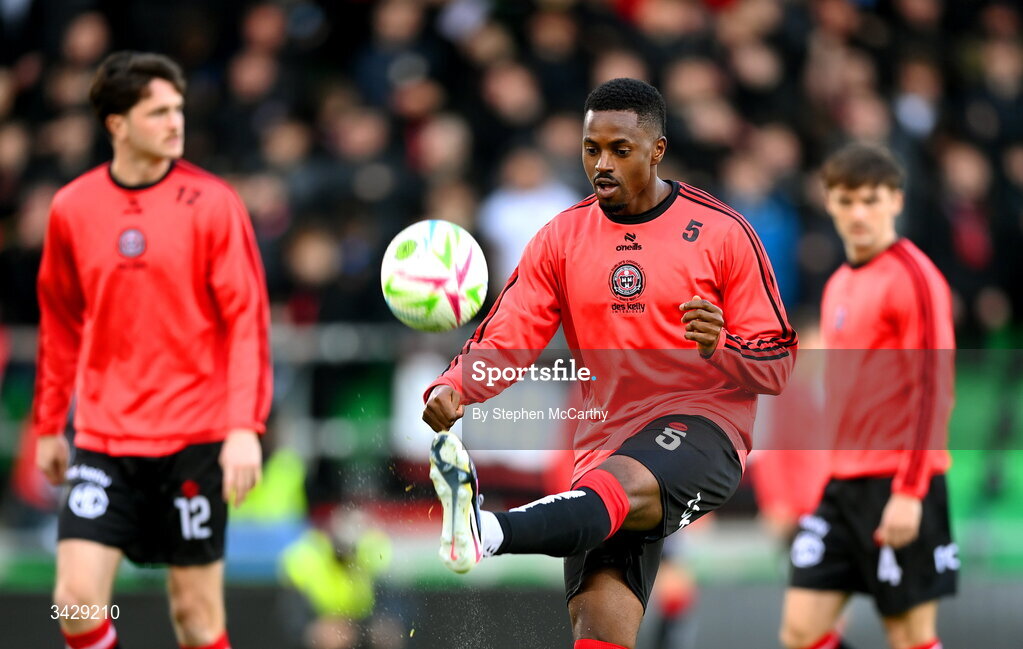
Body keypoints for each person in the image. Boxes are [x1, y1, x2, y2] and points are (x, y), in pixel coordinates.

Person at [422, 78, 797, 649]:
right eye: (591, 148)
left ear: (657, 150)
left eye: (620, 150)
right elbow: (512, 332)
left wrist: (720, 346)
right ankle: (492, 527)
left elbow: (776, 363)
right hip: (603, 445)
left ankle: (484, 529)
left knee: (619, 482)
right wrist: (455, 387)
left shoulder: (722, 232)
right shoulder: (562, 238)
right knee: (598, 632)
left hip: (700, 429)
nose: (602, 163)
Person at [33, 51, 272, 649]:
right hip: (103, 439)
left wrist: (243, 426)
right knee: (76, 601)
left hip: (193, 440)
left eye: (178, 109)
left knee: (195, 618)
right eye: (158, 111)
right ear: (117, 124)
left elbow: (247, 322)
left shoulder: (213, 203)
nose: (175, 122)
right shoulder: (73, 207)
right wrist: (46, 424)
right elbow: (60, 323)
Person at [779, 143, 957, 649]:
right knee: (800, 630)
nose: (859, 213)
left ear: (896, 201)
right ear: (828, 203)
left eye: (871, 200)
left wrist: (909, 491)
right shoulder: (838, 283)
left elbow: (933, 389)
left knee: (910, 636)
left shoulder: (914, 278)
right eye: (846, 200)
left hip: (898, 482)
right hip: (843, 484)